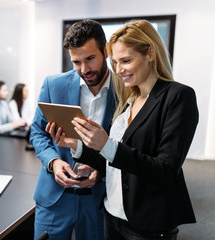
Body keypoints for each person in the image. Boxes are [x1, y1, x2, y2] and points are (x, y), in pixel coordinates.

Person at [69, 20, 198, 239]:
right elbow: (115, 161)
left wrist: (106, 144)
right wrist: (77, 146)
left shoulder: (177, 96)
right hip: (113, 214)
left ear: (150, 53)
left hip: (147, 224)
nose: (118, 70)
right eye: (115, 62)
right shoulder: (130, 98)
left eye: (126, 60)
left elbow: (166, 171)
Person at [30, 19, 117, 240]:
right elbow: (38, 133)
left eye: (90, 59)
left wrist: (103, 172)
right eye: (76, 62)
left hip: (99, 198)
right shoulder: (53, 85)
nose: (84, 69)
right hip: (54, 196)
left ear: (105, 50)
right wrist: (53, 161)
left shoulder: (126, 91)